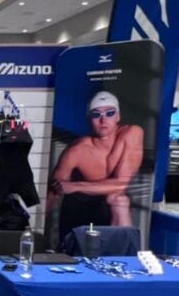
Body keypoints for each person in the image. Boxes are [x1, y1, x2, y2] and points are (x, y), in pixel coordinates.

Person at [46, 91, 143, 243]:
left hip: (108, 209)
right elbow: (54, 192)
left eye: (109, 113)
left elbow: (122, 183)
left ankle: (127, 258)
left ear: (118, 117)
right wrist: (38, 234)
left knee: (119, 200)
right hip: (79, 208)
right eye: (97, 115)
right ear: (90, 119)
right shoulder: (77, 151)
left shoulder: (132, 133)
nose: (103, 120)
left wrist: (75, 186)